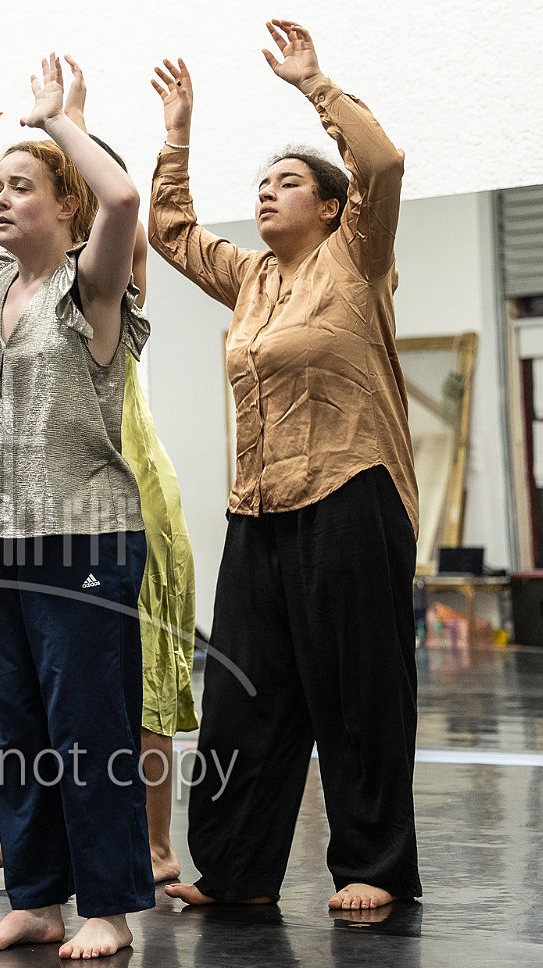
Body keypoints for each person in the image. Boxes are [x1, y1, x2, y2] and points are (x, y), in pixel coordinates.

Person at [149, 21, 421, 913]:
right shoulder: (254, 277)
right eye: (261, 185)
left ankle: (375, 866)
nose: (267, 193)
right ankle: (236, 873)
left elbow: (381, 163)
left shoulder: (357, 257)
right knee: (246, 696)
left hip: (351, 493)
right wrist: (177, 133)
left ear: (333, 207)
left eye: (289, 182)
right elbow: (171, 232)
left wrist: (316, 85)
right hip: (259, 509)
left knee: (357, 692)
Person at [0, 57, 153, 960]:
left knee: (87, 726)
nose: (3, 199)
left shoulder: (90, 286)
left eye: (22, 187)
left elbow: (124, 198)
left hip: (84, 533)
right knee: (18, 721)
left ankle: (110, 906)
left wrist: (59, 121)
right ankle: (36, 898)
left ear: (66, 207)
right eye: (0, 186)